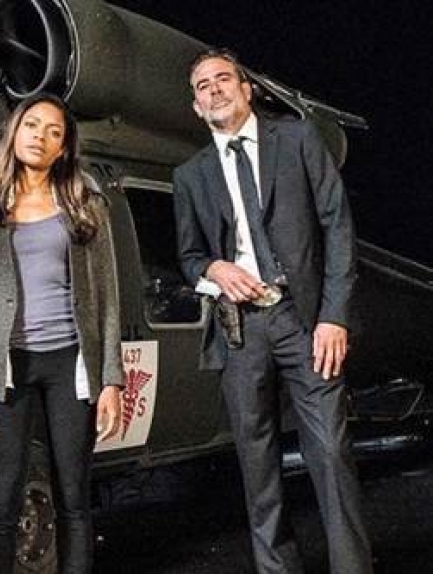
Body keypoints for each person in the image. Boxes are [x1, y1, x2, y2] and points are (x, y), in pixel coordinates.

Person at [172, 48, 371, 574]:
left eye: (223, 79)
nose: (214, 90)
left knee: (330, 453)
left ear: (247, 89)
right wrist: (214, 268)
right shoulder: (190, 175)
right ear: (195, 106)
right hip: (240, 330)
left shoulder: (299, 139)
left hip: (305, 322)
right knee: (257, 464)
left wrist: (334, 316)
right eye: (202, 86)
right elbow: (189, 256)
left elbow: (337, 227)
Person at [0, 92, 123, 574]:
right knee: (1, 500)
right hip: (7, 367)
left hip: (70, 363)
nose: (41, 137)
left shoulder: (85, 205)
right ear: (15, 132)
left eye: (54, 132)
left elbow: (108, 297)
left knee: (73, 496)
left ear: (63, 146)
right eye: (32, 126)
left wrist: (111, 380)